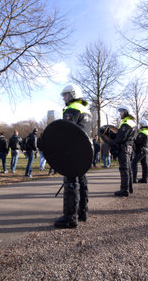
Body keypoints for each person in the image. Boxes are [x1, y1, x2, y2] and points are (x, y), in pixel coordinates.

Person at [54, 84, 92, 228]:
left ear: (72, 95)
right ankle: (82, 212)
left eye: (65, 95)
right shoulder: (86, 111)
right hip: (85, 150)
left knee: (70, 181)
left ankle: (70, 218)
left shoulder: (72, 109)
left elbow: (66, 131)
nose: (64, 98)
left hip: (73, 150)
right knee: (82, 181)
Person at [113, 105, 136, 197]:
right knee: (128, 169)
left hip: (124, 148)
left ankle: (124, 190)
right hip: (129, 148)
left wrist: (113, 142)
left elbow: (121, 137)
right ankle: (129, 188)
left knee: (124, 169)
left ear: (126, 112)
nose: (120, 113)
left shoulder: (126, 122)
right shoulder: (132, 123)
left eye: (121, 111)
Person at [131, 119, 148, 183]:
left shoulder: (142, 133)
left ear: (143, 125)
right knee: (144, 164)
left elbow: (137, 142)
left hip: (141, 150)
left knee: (134, 163)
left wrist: (133, 139)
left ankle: (134, 178)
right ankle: (145, 178)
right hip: (145, 150)